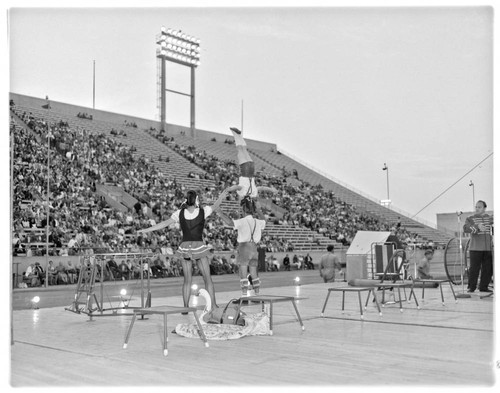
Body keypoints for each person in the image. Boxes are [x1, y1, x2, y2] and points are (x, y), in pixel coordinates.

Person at [138, 188, 228, 310]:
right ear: (196, 199)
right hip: (199, 246)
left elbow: (163, 224)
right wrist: (222, 195)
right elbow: (216, 204)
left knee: (187, 280)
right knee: (207, 278)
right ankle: (213, 305)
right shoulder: (203, 211)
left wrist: (146, 230)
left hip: (185, 247)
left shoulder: (179, 213)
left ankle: (185, 307)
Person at [217, 196, 267, 296]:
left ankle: (244, 295)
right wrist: (258, 209)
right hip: (254, 249)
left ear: (244, 210)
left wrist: (220, 212)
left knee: (243, 273)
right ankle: (257, 294)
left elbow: (230, 222)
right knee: (254, 273)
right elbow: (264, 219)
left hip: (244, 247)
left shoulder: (242, 221)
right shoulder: (257, 221)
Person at [226, 127, 276, 200]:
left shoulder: (254, 193)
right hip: (245, 170)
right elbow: (237, 187)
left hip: (251, 168)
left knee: (244, 149)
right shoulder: (242, 193)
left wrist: (272, 190)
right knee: (240, 150)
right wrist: (229, 189)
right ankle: (235, 134)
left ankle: (239, 135)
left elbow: (262, 188)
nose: (238, 198)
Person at [463, 200, 494, 293]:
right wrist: (477, 227)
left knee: (488, 268)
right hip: (475, 248)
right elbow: (465, 228)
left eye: (479, 207)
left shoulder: (490, 218)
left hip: (488, 248)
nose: (477, 208)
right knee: (474, 269)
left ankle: (483, 286)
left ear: (484, 208)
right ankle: (471, 287)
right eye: (476, 207)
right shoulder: (470, 218)